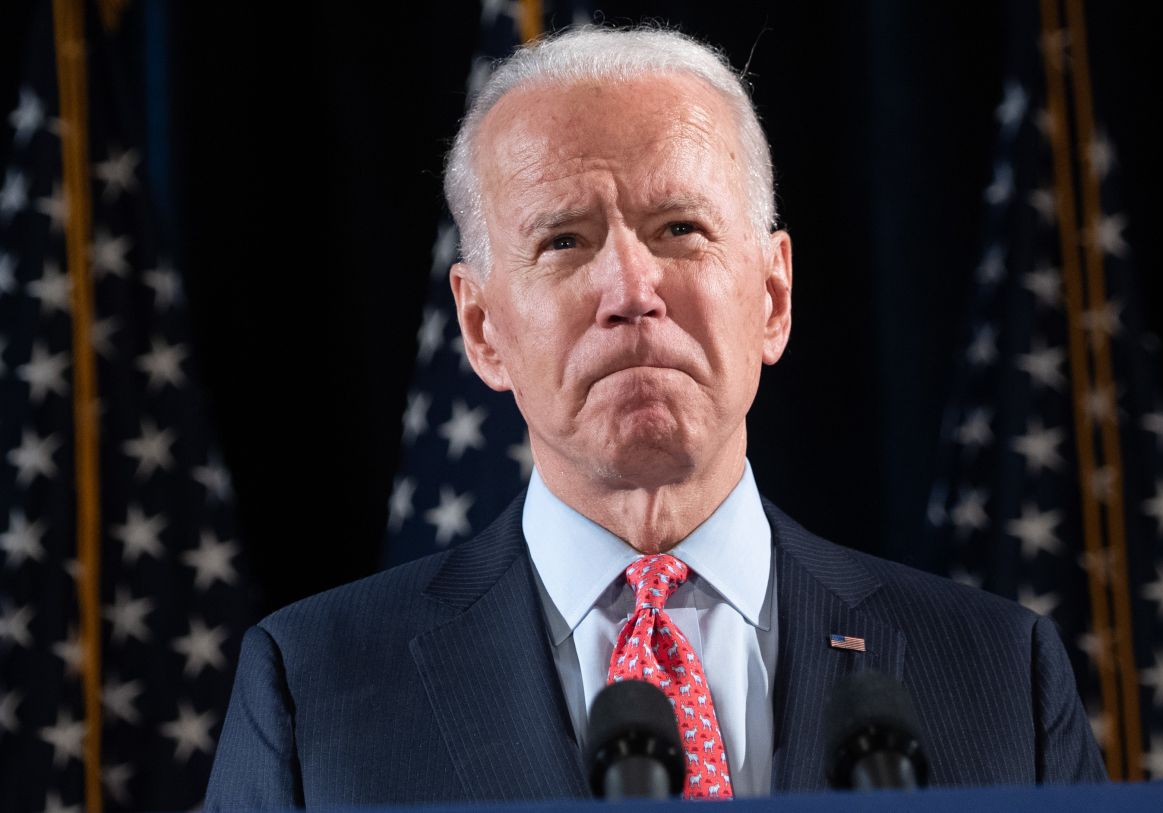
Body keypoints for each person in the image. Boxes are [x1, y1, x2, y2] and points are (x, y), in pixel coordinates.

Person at [205, 25, 1104, 808]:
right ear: (482, 331)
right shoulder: (314, 690)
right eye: (564, 240)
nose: (632, 290)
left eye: (681, 228)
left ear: (775, 297)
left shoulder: (998, 675)